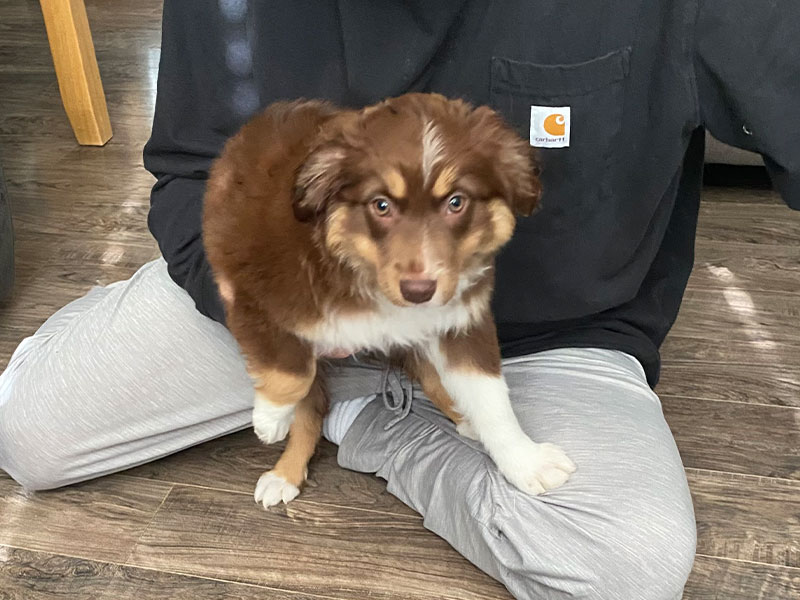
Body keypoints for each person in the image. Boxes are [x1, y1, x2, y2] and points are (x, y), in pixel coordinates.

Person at [1, 1, 798, 598]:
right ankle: (321, 384)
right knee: (27, 432)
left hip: (545, 334)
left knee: (623, 563)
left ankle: (365, 417)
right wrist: (268, 313)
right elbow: (189, 169)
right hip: (293, 299)